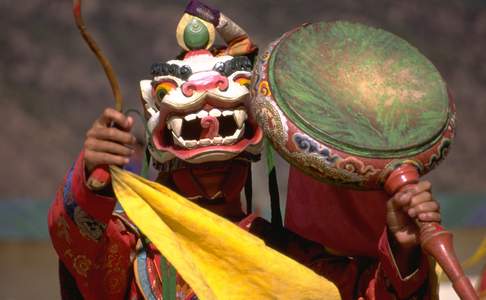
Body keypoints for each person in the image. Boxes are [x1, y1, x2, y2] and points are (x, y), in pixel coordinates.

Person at [49, 1, 441, 299]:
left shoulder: (283, 254)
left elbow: (363, 293)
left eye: (226, 155)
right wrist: (93, 178)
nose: (212, 170)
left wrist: (402, 247)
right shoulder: (137, 249)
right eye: (190, 131)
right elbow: (81, 249)